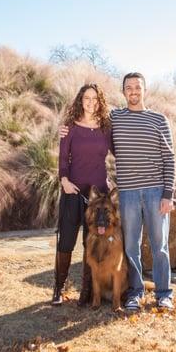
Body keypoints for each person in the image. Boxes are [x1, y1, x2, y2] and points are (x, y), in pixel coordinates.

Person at [60, 72, 176, 310]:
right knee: (131, 246)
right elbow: (88, 125)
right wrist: (64, 131)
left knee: (159, 245)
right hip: (128, 193)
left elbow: (170, 158)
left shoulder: (159, 119)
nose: (133, 91)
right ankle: (134, 293)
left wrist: (168, 194)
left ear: (145, 90)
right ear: (123, 92)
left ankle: (164, 294)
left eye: (137, 87)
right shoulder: (114, 118)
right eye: (129, 88)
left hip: (155, 191)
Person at [52, 83, 112, 305]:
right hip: (73, 192)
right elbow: (62, 160)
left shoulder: (106, 128)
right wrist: (64, 181)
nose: (91, 102)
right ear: (80, 100)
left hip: (98, 196)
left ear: (100, 102)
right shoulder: (69, 127)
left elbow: (119, 152)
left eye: (95, 99)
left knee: (91, 243)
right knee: (66, 242)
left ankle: (86, 292)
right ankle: (58, 288)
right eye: (87, 98)